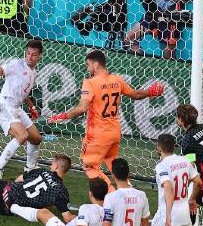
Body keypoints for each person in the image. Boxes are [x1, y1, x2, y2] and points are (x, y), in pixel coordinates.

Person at [48, 50, 163, 190]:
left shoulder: (90, 82)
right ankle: (129, 191)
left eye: (88, 65)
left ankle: (111, 196)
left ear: (96, 65)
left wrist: (61, 116)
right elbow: (136, 95)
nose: (88, 68)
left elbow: (82, 108)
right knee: (112, 162)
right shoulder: (116, 79)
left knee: (89, 166)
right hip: (114, 132)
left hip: (98, 134)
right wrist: (150, 92)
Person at [0, 40, 43, 179]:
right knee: (22, 136)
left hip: (16, 108)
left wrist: (32, 106)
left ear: (40, 56)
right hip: (4, 105)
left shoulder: (34, 72)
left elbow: (24, 94)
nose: (30, 56)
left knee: (36, 138)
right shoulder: (16, 64)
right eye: (28, 53)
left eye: (34, 54)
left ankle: (30, 169)